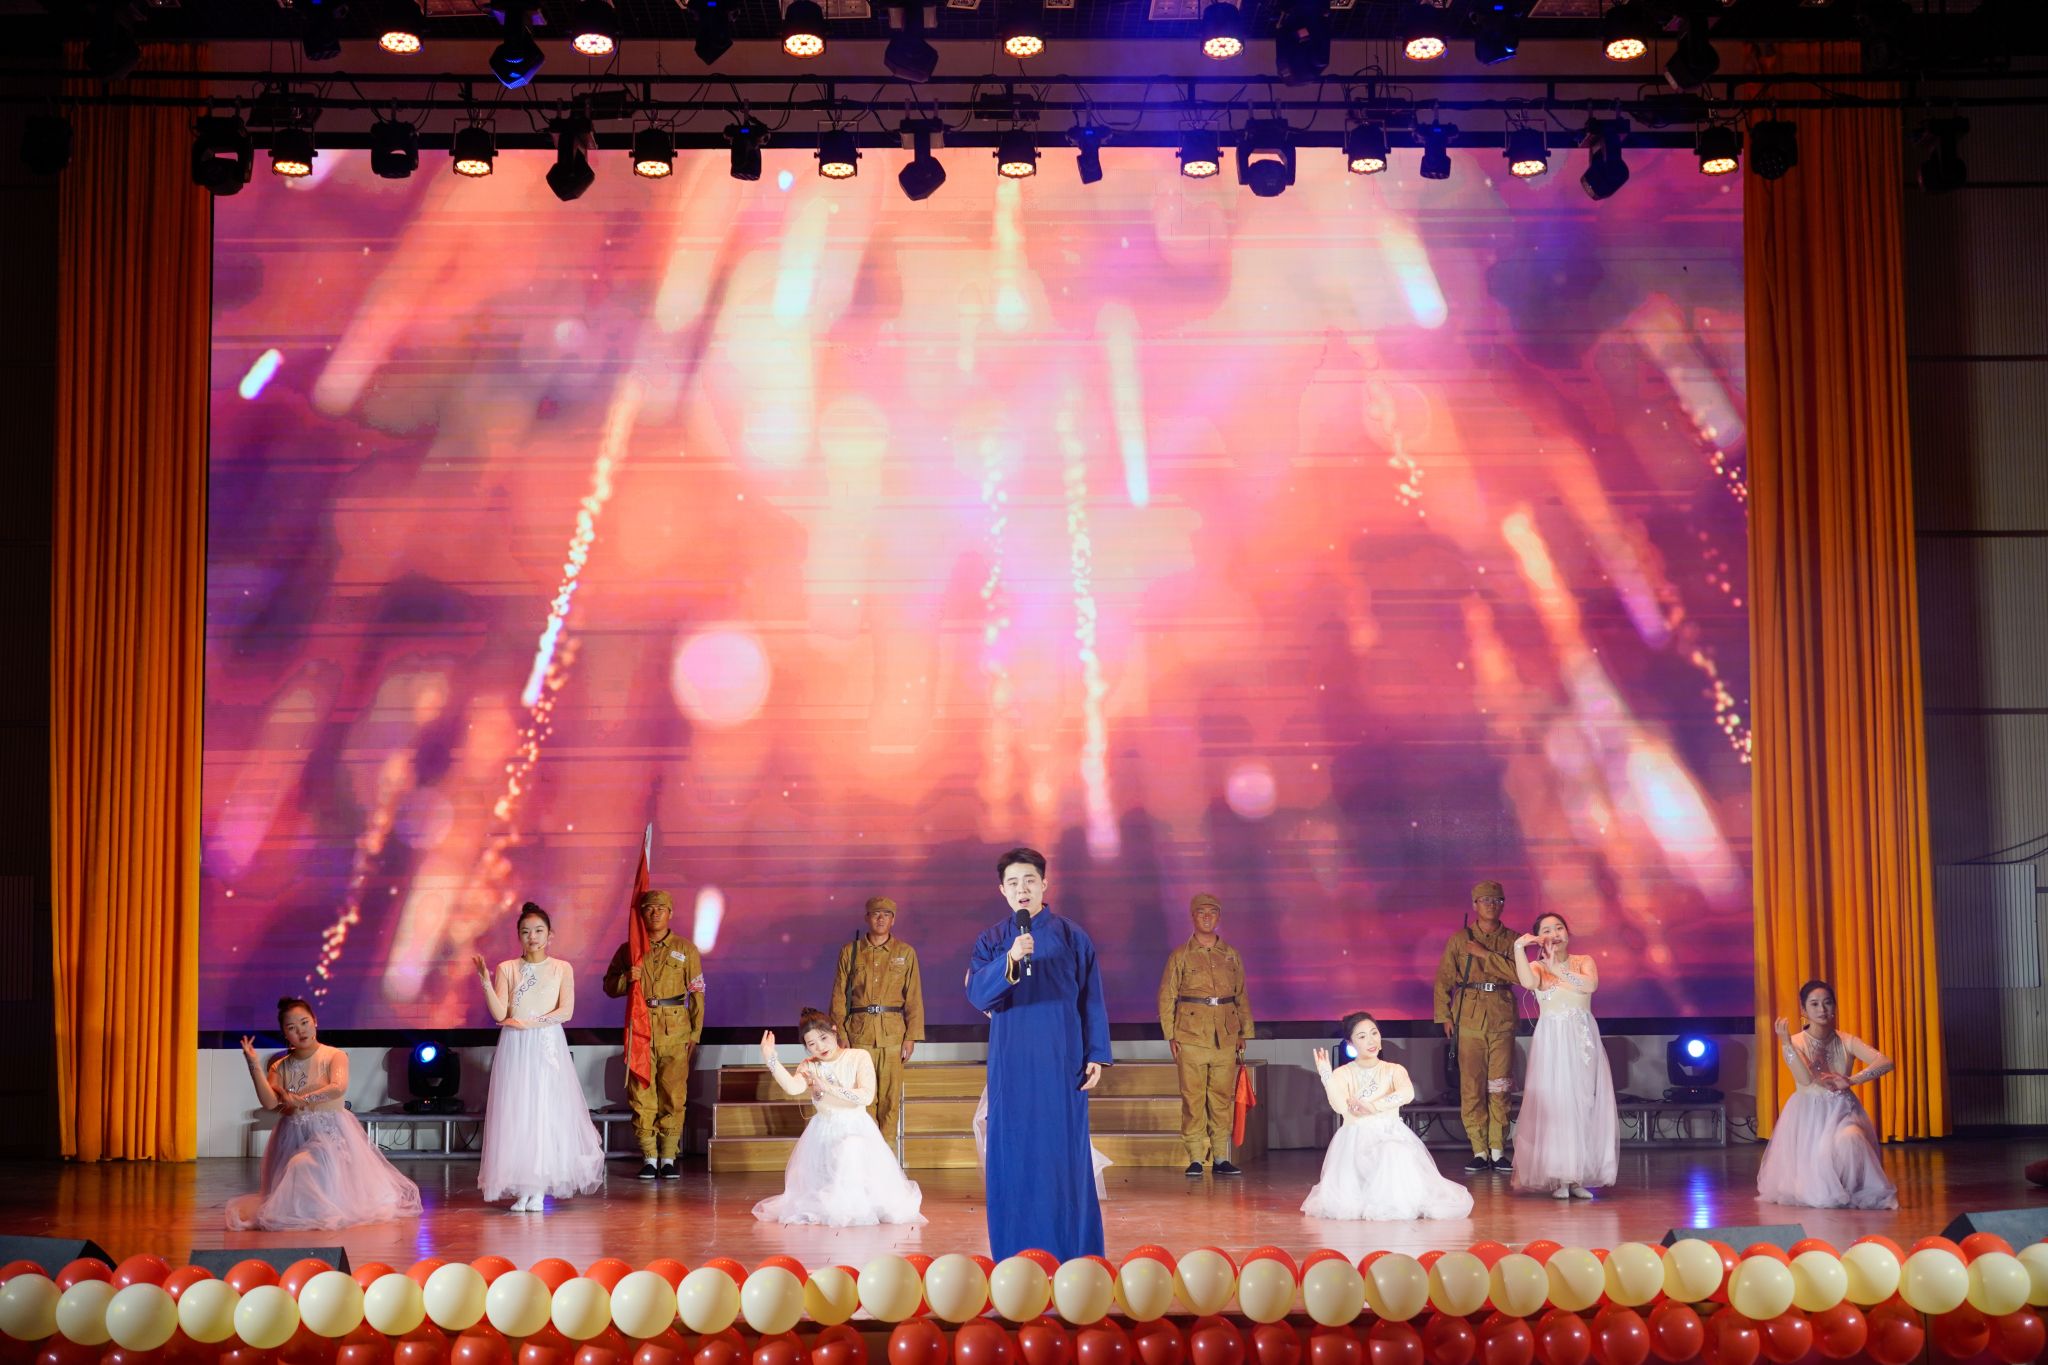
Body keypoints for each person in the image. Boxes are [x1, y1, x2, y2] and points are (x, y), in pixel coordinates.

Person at [968, 846, 1112, 1261]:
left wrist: (1096, 1053)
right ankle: (1014, 1256)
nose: (1022, 889)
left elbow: (1091, 999)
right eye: (1013, 882)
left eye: (1029, 880)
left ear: (1045, 884)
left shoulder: (1071, 936)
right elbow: (978, 993)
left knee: (1063, 1155)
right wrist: (1011, 959)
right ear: (1002, 890)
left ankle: (1075, 1255)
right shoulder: (992, 940)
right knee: (1013, 1154)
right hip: (1012, 1066)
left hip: (1061, 1062)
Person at [228, 997, 423, 1231]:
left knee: (303, 1165)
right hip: (293, 1133)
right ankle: (301, 1211)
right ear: (285, 1033)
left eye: (304, 1023)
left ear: (315, 1021)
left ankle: (321, 1209)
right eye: (292, 1028)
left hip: (329, 1131)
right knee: (295, 1171)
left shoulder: (333, 1055)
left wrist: (301, 1099)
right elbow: (270, 1102)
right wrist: (253, 1066)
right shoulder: (280, 1066)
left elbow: (337, 1087)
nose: (301, 1031)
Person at [471, 903, 608, 1212]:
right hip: (515, 1044)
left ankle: (539, 1188)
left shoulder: (561, 968)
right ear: (518, 936)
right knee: (517, 1112)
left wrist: (531, 1023)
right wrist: (485, 981)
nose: (532, 936)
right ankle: (524, 1187)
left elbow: (566, 1011)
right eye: (525, 931)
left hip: (546, 1042)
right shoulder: (507, 968)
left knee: (544, 1111)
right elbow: (500, 1013)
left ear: (550, 935)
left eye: (538, 931)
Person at [752, 1008, 927, 1226]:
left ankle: (855, 1206)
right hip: (823, 1130)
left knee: (851, 1150)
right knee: (822, 1191)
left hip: (855, 1126)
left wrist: (828, 1088)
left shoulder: (857, 1057)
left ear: (834, 1031)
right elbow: (793, 1087)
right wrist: (771, 1059)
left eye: (823, 1038)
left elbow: (866, 1096)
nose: (820, 1047)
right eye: (812, 1043)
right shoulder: (810, 1065)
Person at [1302, 1012, 1473, 1222]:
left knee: (1393, 1150)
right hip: (1356, 1140)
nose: (1371, 1040)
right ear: (1351, 1043)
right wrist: (1327, 1076)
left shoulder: (1394, 1070)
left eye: (1374, 1033)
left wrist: (1373, 1106)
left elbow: (1407, 1093)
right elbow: (1339, 1107)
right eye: (1362, 1036)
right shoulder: (1343, 1073)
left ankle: (1395, 1203)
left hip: (1390, 1133)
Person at [966, 969, 1113, 1199]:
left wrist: (1095, 1052)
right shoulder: (996, 956)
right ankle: (1016, 1185)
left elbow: (1087, 998)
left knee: (1052, 1119)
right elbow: (976, 987)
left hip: (1052, 1050)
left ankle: (1056, 1184)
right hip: (1014, 1052)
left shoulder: (1061, 960)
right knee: (1011, 1121)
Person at [1757, 979, 1899, 1210]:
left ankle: (1854, 1189)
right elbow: (1805, 1079)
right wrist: (1786, 1044)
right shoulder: (1795, 1042)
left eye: (1827, 1003)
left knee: (1851, 1138)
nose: (1822, 1009)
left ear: (1834, 1006)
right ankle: (1833, 1190)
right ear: (1804, 1010)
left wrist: (1852, 1080)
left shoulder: (1846, 1040)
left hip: (1842, 1109)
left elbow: (1885, 1062)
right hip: (1810, 1114)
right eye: (1814, 1004)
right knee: (1822, 1161)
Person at [1509, 913, 1618, 1199]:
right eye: (1547, 930)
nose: (1554, 933)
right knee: (1556, 1106)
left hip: (1581, 1040)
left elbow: (1589, 986)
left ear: (1567, 932)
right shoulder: (1537, 967)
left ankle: (1577, 1176)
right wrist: (1519, 948)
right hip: (1552, 1042)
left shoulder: (1584, 961)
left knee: (1582, 1103)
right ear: (1539, 937)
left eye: (1559, 928)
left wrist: (1558, 966)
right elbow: (1526, 981)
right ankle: (1560, 1178)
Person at [602, 889, 705, 1179]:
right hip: (641, 1029)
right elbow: (609, 986)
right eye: (649, 908)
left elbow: (697, 994)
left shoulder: (686, 949)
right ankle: (649, 1156)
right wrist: (626, 978)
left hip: (676, 1031)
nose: (655, 913)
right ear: (641, 914)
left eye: (661, 908)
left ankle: (669, 1157)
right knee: (641, 1094)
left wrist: (695, 1034)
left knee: (673, 1094)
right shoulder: (629, 950)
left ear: (670, 913)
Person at [1157, 892, 1254, 1177]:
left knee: (1221, 1098)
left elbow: (1241, 995)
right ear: (1193, 916)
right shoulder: (1181, 955)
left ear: (1219, 917)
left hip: (1225, 1035)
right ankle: (1196, 1157)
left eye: (1212, 912)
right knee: (1193, 1098)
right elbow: (1167, 996)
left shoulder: (1231, 955)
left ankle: (1221, 1157)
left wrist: (1244, 1031)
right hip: (1190, 1036)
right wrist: (1170, 1035)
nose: (1207, 917)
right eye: (1202, 912)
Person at [1432, 880, 1520, 1172]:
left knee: (1499, 1085)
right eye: (1485, 900)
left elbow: (1519, 975)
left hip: (1501, 1016)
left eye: (1497, 900)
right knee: (1471, 1086)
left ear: (1503, 904)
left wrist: (1484, 955)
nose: (1491, 905)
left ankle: (1498, 1149)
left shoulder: (1513, 940)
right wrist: (1445, 1016)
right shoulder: (1460, 939)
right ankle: (1479, 1150)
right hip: (1468, 1017)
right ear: (1474, 905)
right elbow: (1444, 980)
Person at [829, 896, 925, 1153]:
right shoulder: (850, 952)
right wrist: (841, 1032)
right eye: (875, 914)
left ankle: (887, 1157)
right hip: (858, 1034)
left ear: (893, 920)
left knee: (890, 1100)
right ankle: (868, 1155)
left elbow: (913, 997)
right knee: (863, 1097)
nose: (881, 918)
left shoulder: (905, 953)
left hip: (893, 1036)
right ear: (867, 918)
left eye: (886, 914)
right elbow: (839, 995)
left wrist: (911, 1036)